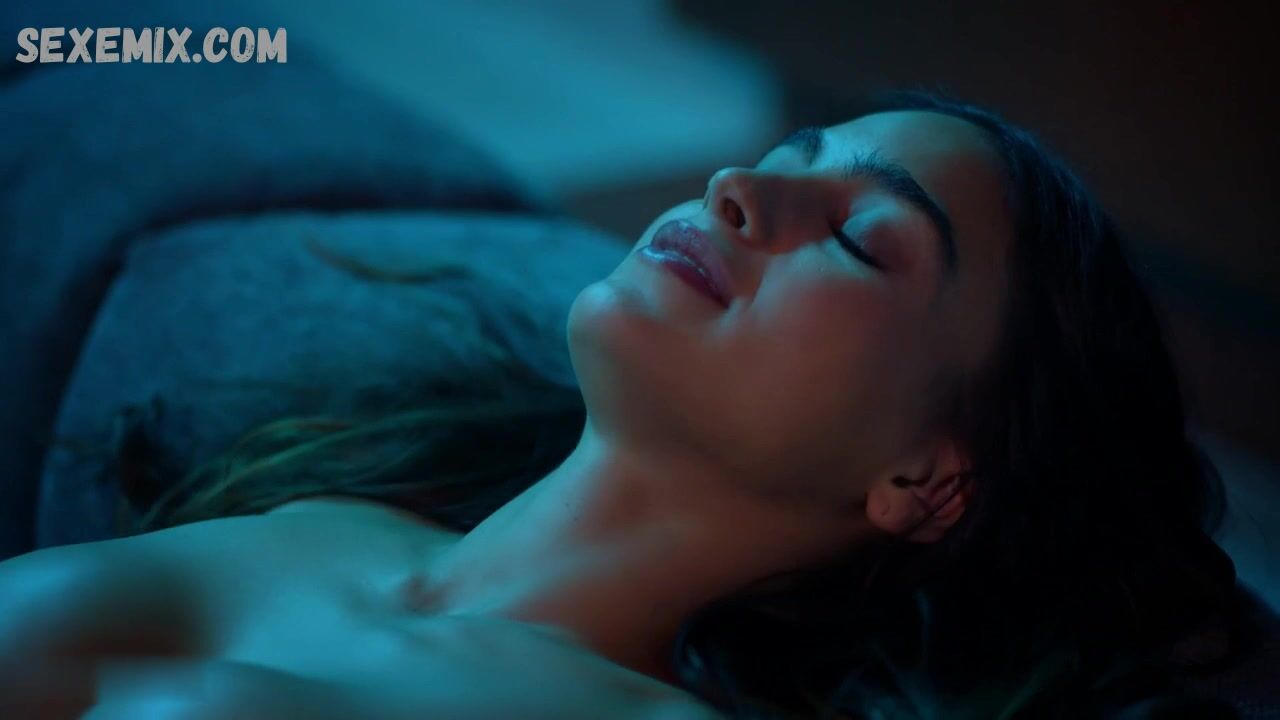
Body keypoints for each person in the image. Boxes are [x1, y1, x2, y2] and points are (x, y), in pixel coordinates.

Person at [0, 91, 1247, 719]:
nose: (736, 187)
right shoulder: (328, 515)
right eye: (787, 156)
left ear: (925, 479)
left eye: (859, 240)